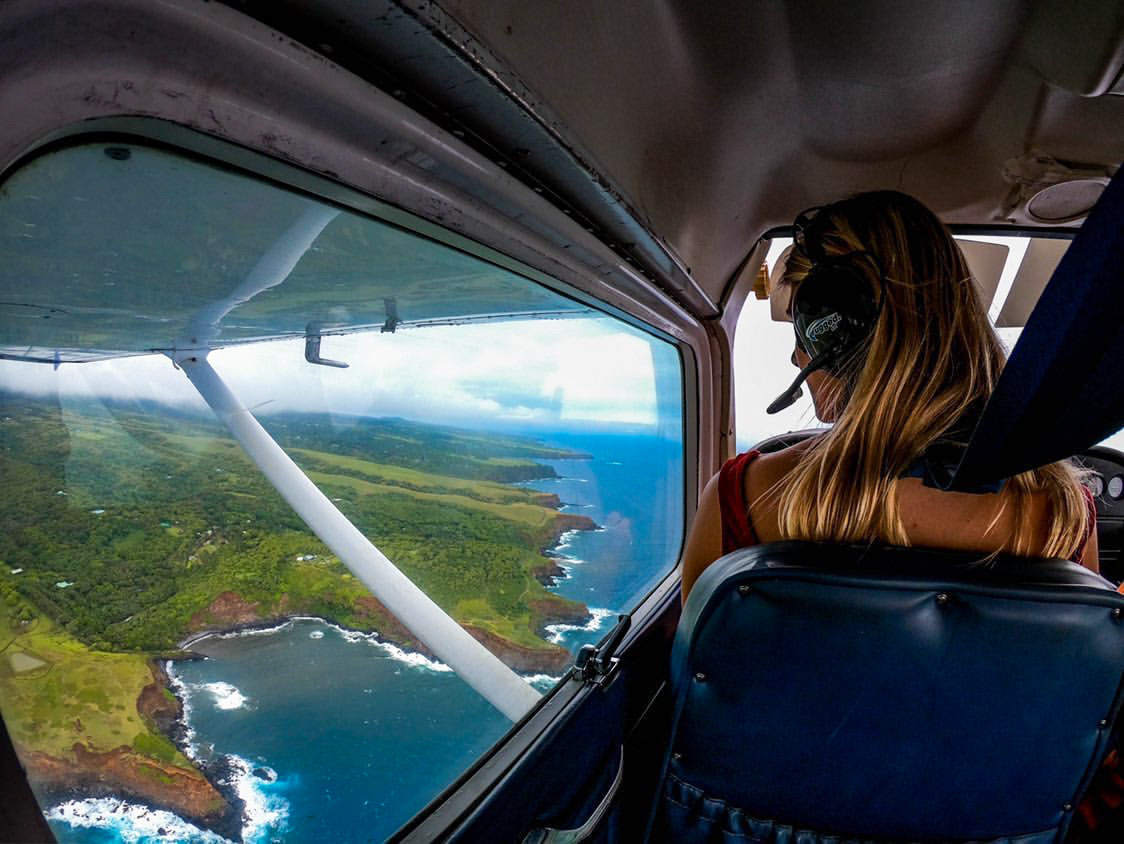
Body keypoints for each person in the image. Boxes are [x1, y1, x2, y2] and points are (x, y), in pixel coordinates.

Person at [680, 190, 1099, 602]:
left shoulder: (740, 498)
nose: (796, 356)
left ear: (837, 334)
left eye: (801, 327)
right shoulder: (1063, 513)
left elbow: (693, 663)